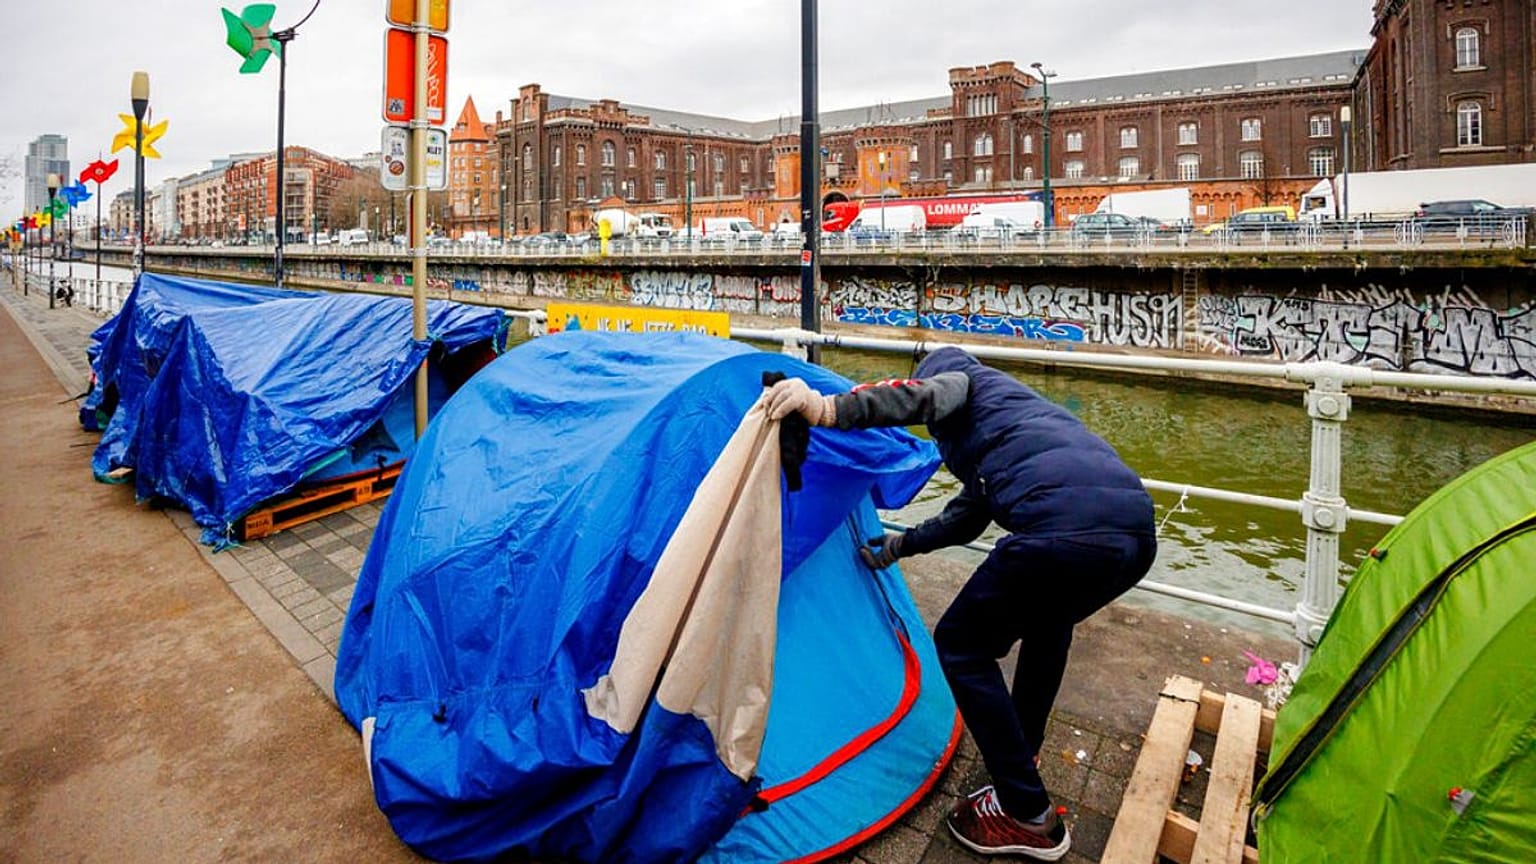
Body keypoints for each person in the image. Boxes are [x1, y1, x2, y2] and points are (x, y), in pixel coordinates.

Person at [763, 346, 1156, 861]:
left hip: (1061, 528)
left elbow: (921, 397)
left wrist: (825, 410)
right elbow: (967, 517)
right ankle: (1024, 754)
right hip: (1133, 534)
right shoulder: (1013, 420)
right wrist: (898, 546)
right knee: (1049, 622)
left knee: (960, 644)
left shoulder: (960, 386)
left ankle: (1026, 813)